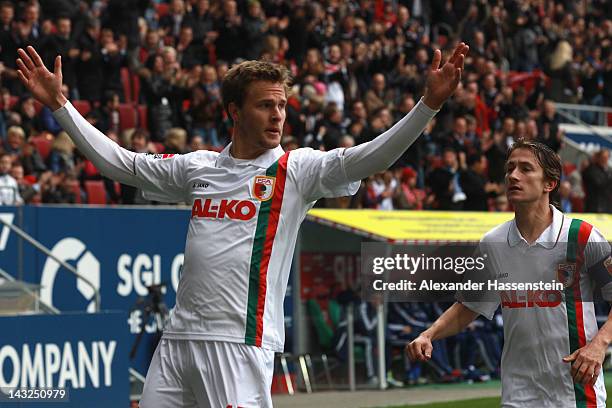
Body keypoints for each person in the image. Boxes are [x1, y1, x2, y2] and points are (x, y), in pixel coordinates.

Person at [17, 42, 468, 407]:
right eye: (265, 106)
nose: (277, 116)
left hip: (239, 343)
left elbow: (374, 155)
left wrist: (427, 105)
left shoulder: (297, 170)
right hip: (178, 340)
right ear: (234, 111)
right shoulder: (200, 167)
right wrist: (61, 106)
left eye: (282, 106)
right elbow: (124, 165)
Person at [407, 139, 612, 407]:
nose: (513, 175)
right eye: (510, 168)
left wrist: (599, 345)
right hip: (518, 392)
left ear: (549, 184)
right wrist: (429, 334)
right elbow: (470, 305)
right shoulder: (493, 242)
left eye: (526, 169)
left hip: (575, 390)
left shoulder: (581, 236)